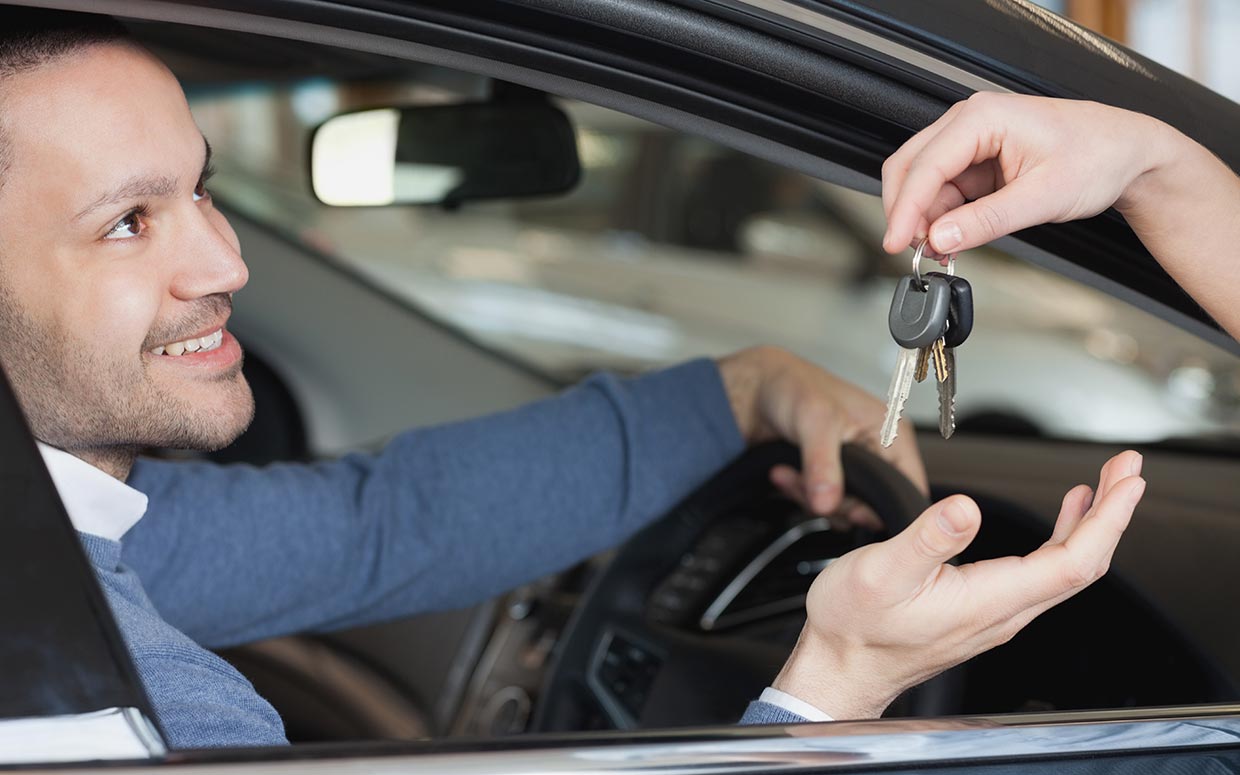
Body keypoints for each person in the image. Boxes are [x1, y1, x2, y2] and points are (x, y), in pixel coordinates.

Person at [0, 11, 1143, 747]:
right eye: (126, 225)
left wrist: (742, 392)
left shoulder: (51, 533)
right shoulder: (132, 711)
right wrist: (837, 679)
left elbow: (378, 526)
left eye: (202, 190)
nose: (227, 261)